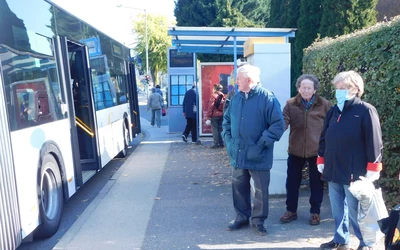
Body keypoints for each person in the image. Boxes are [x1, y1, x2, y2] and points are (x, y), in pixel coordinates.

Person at [317, 71, 383, 250]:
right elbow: (324, 137)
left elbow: (374, 140)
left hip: (354, 170)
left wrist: (373, 167)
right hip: (332, 168)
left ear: (356, 89)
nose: (340, 91)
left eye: (344, 88)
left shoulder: (366, 110)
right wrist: (321, 158)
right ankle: (341, 239)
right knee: (337, 209)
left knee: (356, 212)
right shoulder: (333, 111)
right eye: (338, 88)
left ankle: (365, 243)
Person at [222, 64, 285, 236]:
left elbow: (278, 125)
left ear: (248, 79)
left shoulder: (267, 98)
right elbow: (226, 121)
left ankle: (258, 221)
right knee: (238, 187)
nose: (235, 82)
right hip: (238, 153)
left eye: (238, 79)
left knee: (260, 190)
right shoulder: (236, 98)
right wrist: (229, 141)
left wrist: (261, 144)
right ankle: (241, 217)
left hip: (259, 154)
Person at [279, 74, 332, 226]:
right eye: (303, 87)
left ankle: (315, 212)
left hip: (317, 151)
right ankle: (291, 211)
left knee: (316, 183)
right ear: (298, 88)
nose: (306, 90)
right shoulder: (291, 104)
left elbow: (330, 126)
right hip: (296, 150)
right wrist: (274, 134)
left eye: (309, 88)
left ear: (315, 90)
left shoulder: (324, 104)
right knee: (292, 183)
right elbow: (283, 121)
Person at [206, 84, 225, 148]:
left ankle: (216, 144)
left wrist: (208, 116)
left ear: (215, 89)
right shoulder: (223, 96)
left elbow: (211, 106)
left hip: (214, 115)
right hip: (221, 115)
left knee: (215, 130)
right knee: (220, 129)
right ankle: (221, 143)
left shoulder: (214, 96)